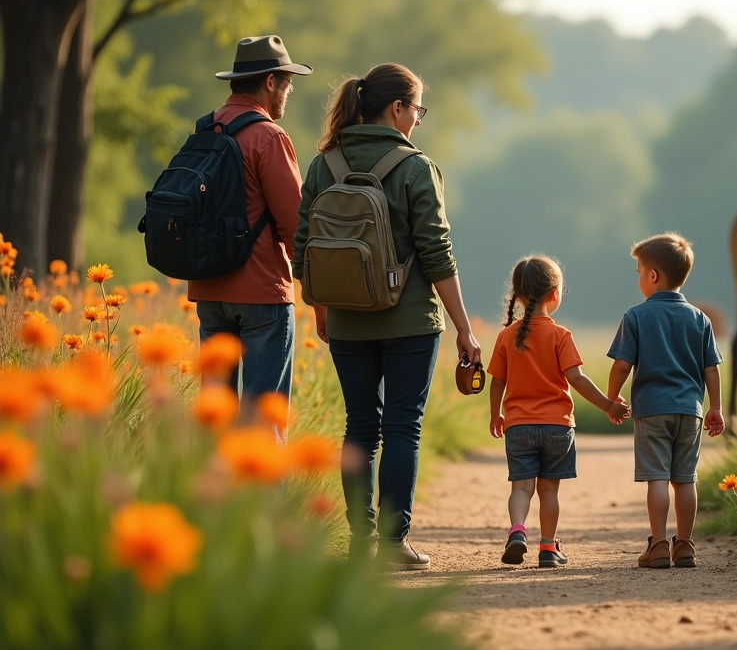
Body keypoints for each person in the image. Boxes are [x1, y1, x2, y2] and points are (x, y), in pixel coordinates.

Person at [294, 63, 481, 571]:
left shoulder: (323, 164)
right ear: (396, 108)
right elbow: (437, 253)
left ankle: (359, 542)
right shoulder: (416, 167)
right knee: (403, 426)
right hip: (410, 321)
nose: (418, 119)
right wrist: (464, 327)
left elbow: (303, 246)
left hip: (348, 320)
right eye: (417, 108)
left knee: (359, 425)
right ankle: (393, 545)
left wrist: (320, 309)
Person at [191, 35, 311, 423]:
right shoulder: (269, 137)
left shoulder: (204, 130)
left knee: (217, 420)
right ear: (271, 81)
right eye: (288, 83)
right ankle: (258, 487)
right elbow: (296, 225)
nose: (289, 93)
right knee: (262, 421)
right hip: (262, 296)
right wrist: (317, 296)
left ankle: (213, 484)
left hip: (209, 289)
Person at [487, 255, 630, 568]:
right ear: (554, 294)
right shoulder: (560, 335)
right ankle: (548, 548)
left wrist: (496, 414)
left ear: (518, 295)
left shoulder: (506, 336)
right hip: (557, 427)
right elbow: (577, 379)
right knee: (549, 491)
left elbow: (497, 382)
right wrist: (608, 404)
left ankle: (517, 531)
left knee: (521, 487)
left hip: (519, 426)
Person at [606, 233, 724, 569]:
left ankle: (658, 544)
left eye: (640, 271)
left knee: (657, 476)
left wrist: (611, 398)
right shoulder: (700, 318)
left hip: (652, 410)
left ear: (653, 276)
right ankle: (685, 545)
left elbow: (622, 365)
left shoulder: (637, 317)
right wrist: (714, 407)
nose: (640, 278)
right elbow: (711, 370)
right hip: (691, 411)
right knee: (685, 479)